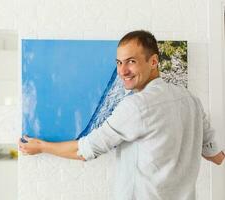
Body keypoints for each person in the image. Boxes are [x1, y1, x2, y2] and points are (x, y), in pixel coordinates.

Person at [18, 30, 224, 200]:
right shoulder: (192, 101)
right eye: (119, 62)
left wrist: (42, 146)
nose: (122, 71)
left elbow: (86, 150)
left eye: (131, 61)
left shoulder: (137, 106)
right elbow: (215, 155)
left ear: (153, 61)